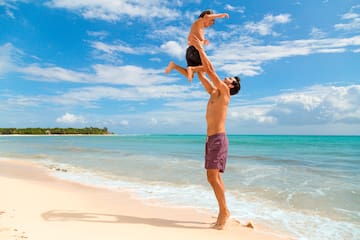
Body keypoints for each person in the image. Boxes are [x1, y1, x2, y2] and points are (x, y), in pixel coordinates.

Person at [165, 10, 229, 81]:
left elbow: (196, 36)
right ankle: (192, 69)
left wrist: (203, 41)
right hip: (195, 51)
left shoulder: (199, 27)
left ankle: (174, 66)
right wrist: (220, 15)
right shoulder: (200, 21)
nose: (209, 26)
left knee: (190, 75)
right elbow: (207, 17)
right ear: (207, 17)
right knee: (207, 68)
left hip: (190, 52)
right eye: (210, 23)